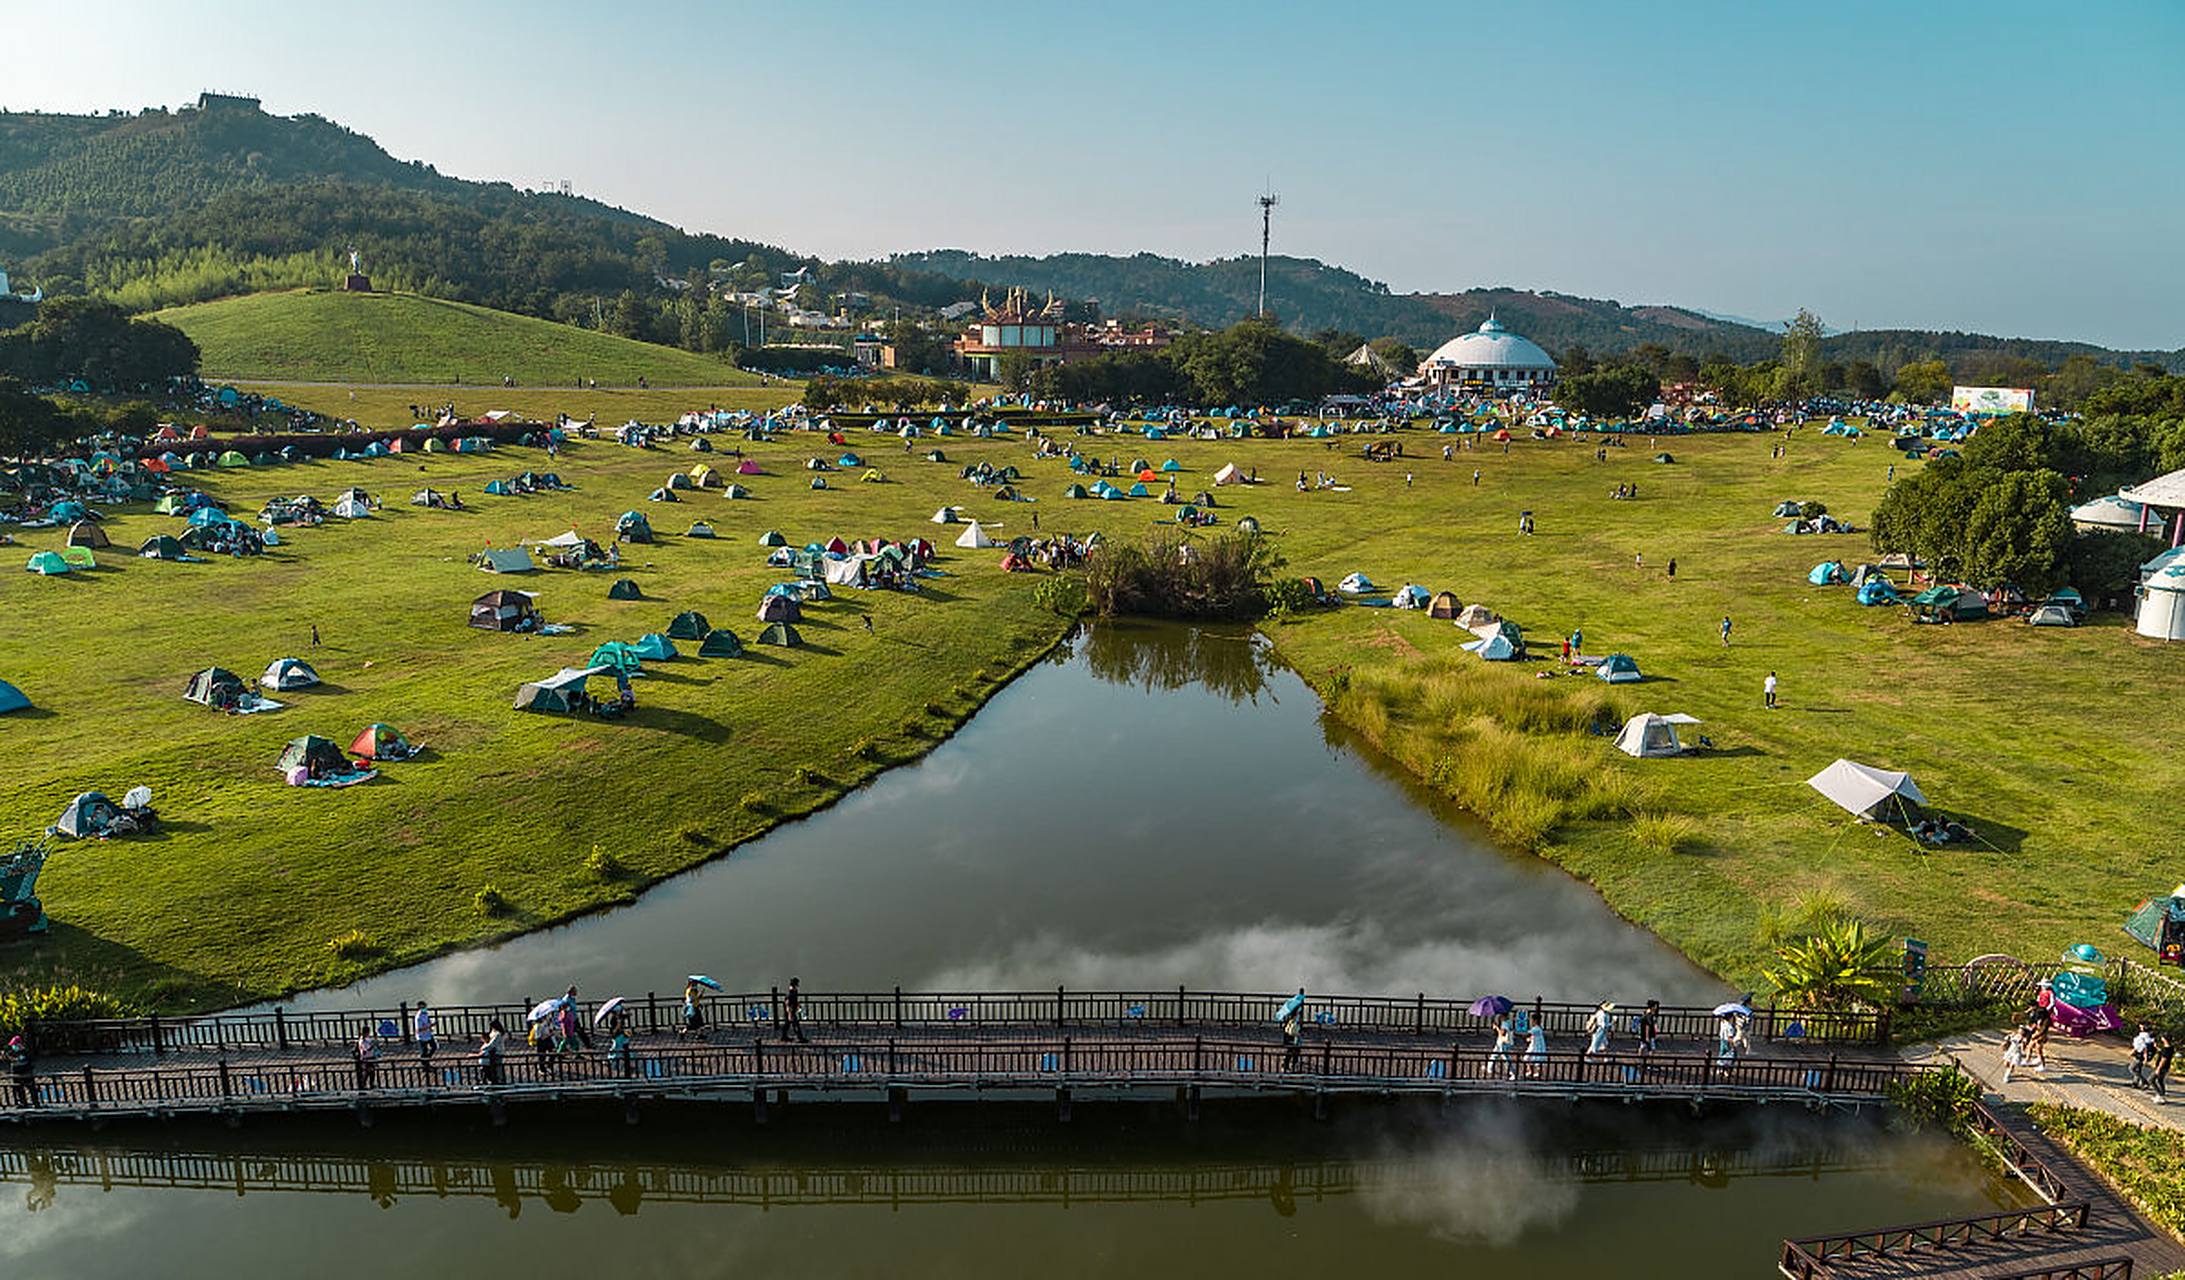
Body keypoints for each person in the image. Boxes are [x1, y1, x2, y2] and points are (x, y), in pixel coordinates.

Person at [6, 1034, 36, 1108]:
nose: (14, 1047)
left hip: (26, 1072)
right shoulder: (11, 1052)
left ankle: (36, 1103)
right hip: (16, 1073)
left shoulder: (26, 1052)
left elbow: (30, 1060)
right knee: (18, 1089)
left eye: (15, 1045)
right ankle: (23, 1103)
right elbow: (7, 1057)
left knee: (31, 1088)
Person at [564, 986, 594, 1050]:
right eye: (575, 991)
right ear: (572, 992)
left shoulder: (572, 998)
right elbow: (565, 1010)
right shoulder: (566, 1000)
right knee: (572, 1035)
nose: (576, 992)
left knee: (580, 1033)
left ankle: (587, 1045)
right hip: (570, 1020)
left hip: (574, 1018)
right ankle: (564, 1049)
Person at [477, 1020, 506, 1086]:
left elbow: (492, 1044)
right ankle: (494, 1080)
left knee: (497, 1067)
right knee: (492, 1067)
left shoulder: (498, 1034)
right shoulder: (493, 1032)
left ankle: (499, 1080)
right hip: (492, 1052)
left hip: (497, 1052)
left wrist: (483, 1048)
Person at [1486, 1015, 1515, 1079]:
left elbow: (1502, 1033)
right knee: (1494, 1055)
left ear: (1503, 1016)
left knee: (1505, 1057)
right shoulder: (1509, 1022)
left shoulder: (1505, 1024)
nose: (1499, 1017)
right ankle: (1489, 1068)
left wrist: (1496, 1028)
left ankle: (1512, 1072)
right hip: (1502, 1042)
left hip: (1503, 1043)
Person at [784, 977, 808, 1043]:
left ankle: (784, 1036)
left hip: (792, 1009)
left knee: (787, 1024)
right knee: (795, 1024)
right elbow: (787, 1003)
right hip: (790, 1010)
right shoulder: (791, 992)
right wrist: (789, 1013)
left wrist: (797, 1005)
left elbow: (795, 1000)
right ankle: (800, 1037)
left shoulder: (794, 990)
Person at [354, 1025, 379, 1090]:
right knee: (368, 1072)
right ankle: (365, 1084)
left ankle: (370, 1084)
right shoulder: (362, 1040)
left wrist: (375, 1040)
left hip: (371, 1057)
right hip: (366, 1058)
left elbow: (371, 1043)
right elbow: (366, 1049)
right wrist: (373, 1045)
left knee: (371, 1072)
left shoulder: (367, 1039)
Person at [2132, 1023, 2156, 1088]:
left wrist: (2133, 1051)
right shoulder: (2150, 1035)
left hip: (2140, 1055)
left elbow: (2144, 1047)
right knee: (2138, 1069)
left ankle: (2144, 1081)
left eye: (2141, 1026)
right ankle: (2135, 1083)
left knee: (2132, 1068)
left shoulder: (2145, 1036)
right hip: (2141, 1055)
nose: (2140, 1028)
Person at [2152, 1033, 2175, 1101]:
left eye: (2162, 1037)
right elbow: (2162, 1053)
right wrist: (2156, 1047)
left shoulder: (2166, 1049)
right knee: (2160, 1081)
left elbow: (2163, 1060)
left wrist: (2158, 1069)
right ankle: (2162, 1096)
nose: (2161, 1038)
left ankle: (2160, 1095)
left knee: (2151, 1080)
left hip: (2162, 1068)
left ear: (2165, 1039)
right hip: (2165, 1068)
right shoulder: (2169, 1047)